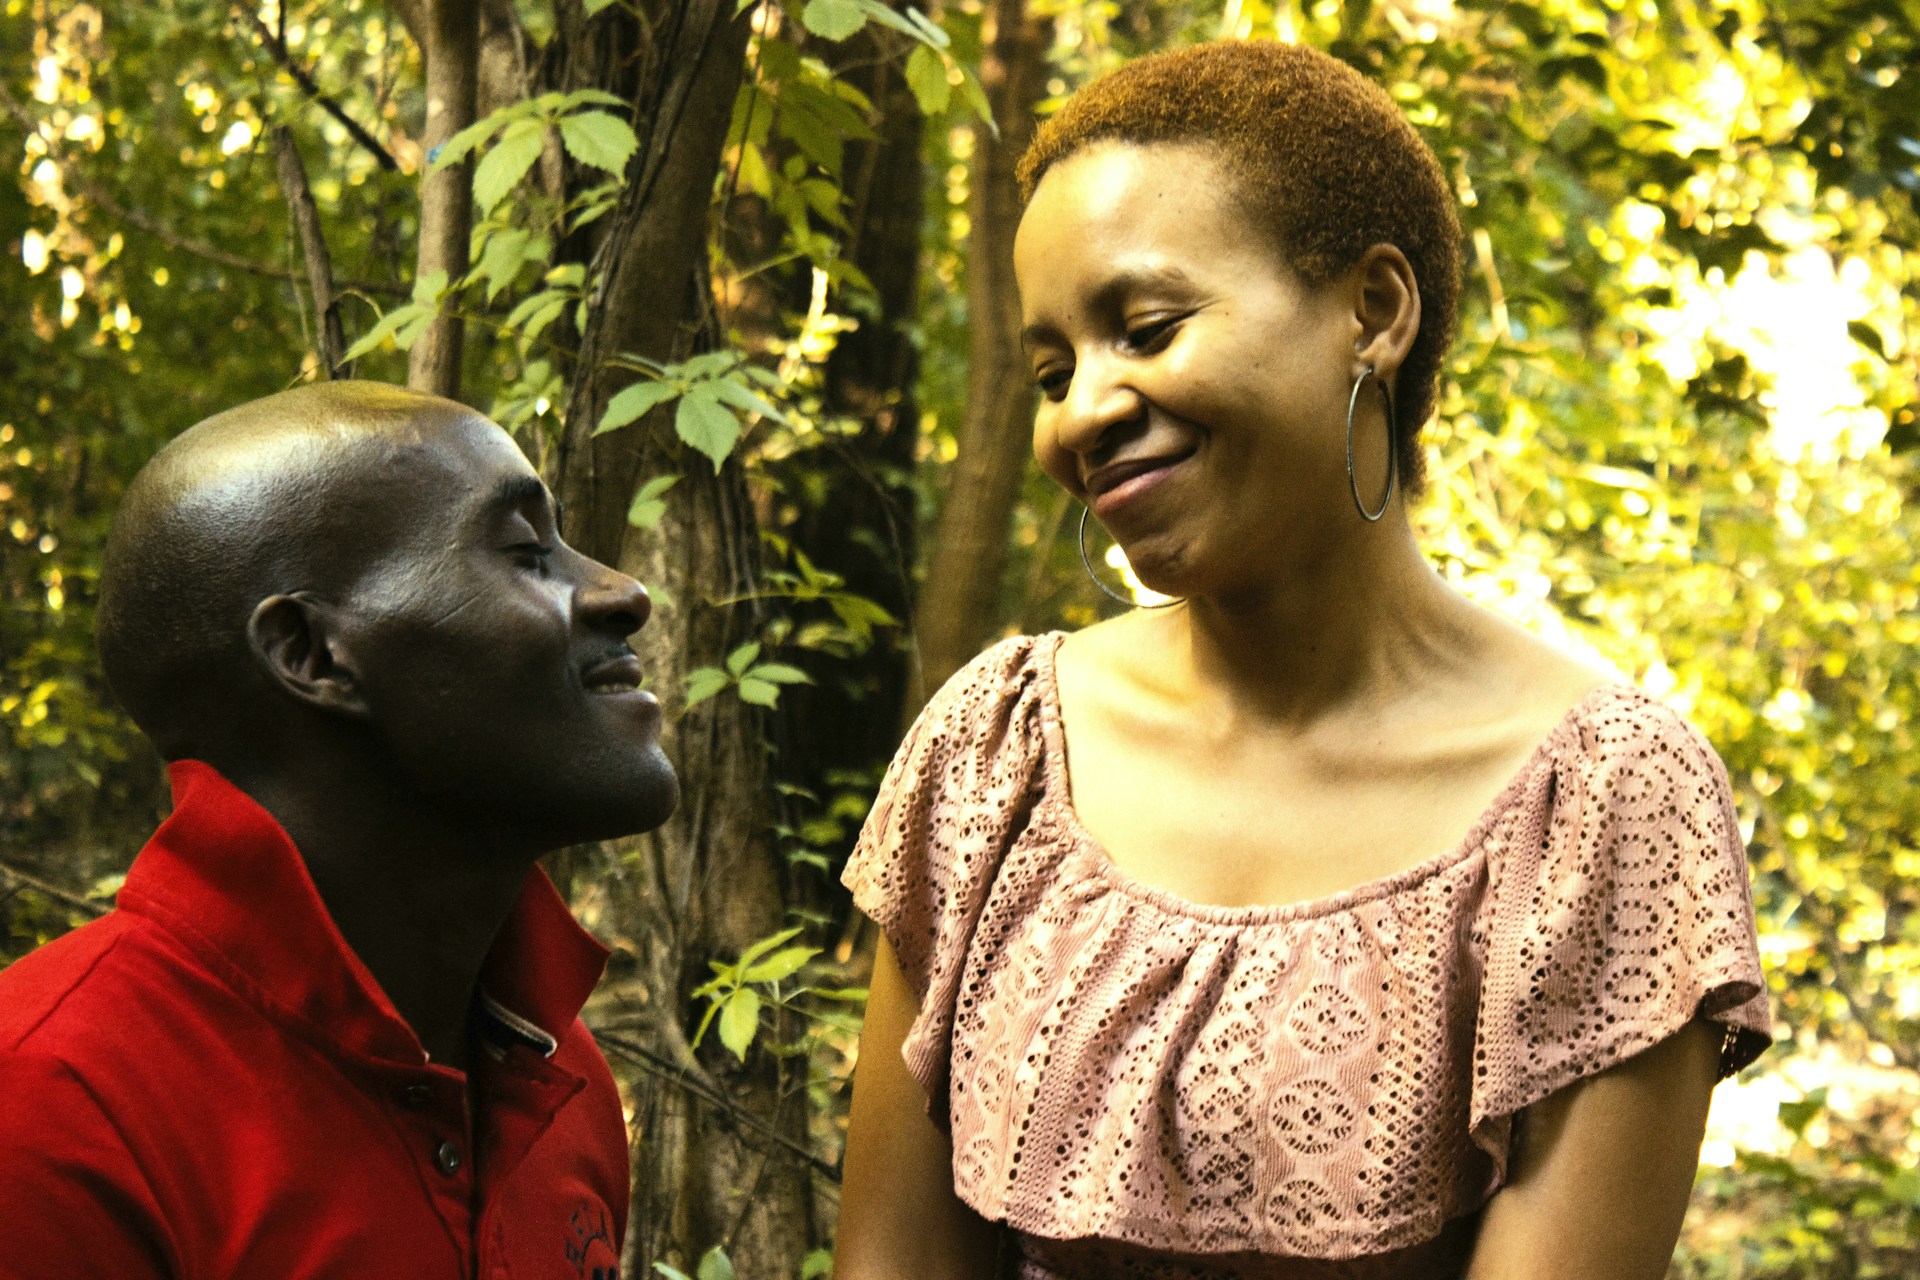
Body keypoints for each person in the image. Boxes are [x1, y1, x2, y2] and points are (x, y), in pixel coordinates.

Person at [834, 41, 1769, 1280]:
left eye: (1147, 327)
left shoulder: (1601, 807)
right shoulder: (992, 749)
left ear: (1374, 313)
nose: (1082, 414)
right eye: (1054, 369)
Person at [0, 382, 675, 1279]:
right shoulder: (52, 1111)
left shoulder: (561, 1074)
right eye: (525, 554)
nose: (623, 592)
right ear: (313, 656)